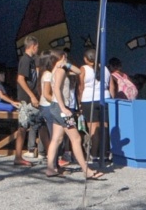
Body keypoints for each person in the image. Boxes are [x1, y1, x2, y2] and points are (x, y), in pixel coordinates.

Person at [39, 49, 104, 180]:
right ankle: (86, 170)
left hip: (55, 107)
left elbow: (79, 71)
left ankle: (50, 169)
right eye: (66, 57)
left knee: (56, 139)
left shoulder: (57, 70)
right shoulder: (60, 71)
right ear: (62, 57)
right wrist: (63, 107)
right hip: (61, 108)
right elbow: (56, 89)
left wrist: (66, 64)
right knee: (76, 138)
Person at [14, 36, 45, 163]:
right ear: (32, 46)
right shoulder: (25, 60)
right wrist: (32, 95)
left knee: (40, 124)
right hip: (26, 100)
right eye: (37, 47)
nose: (37, 49)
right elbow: (20, 79)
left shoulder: (31, 61)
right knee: (23, 127)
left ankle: (48, 155)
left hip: (32, 98)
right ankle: (18, 156)